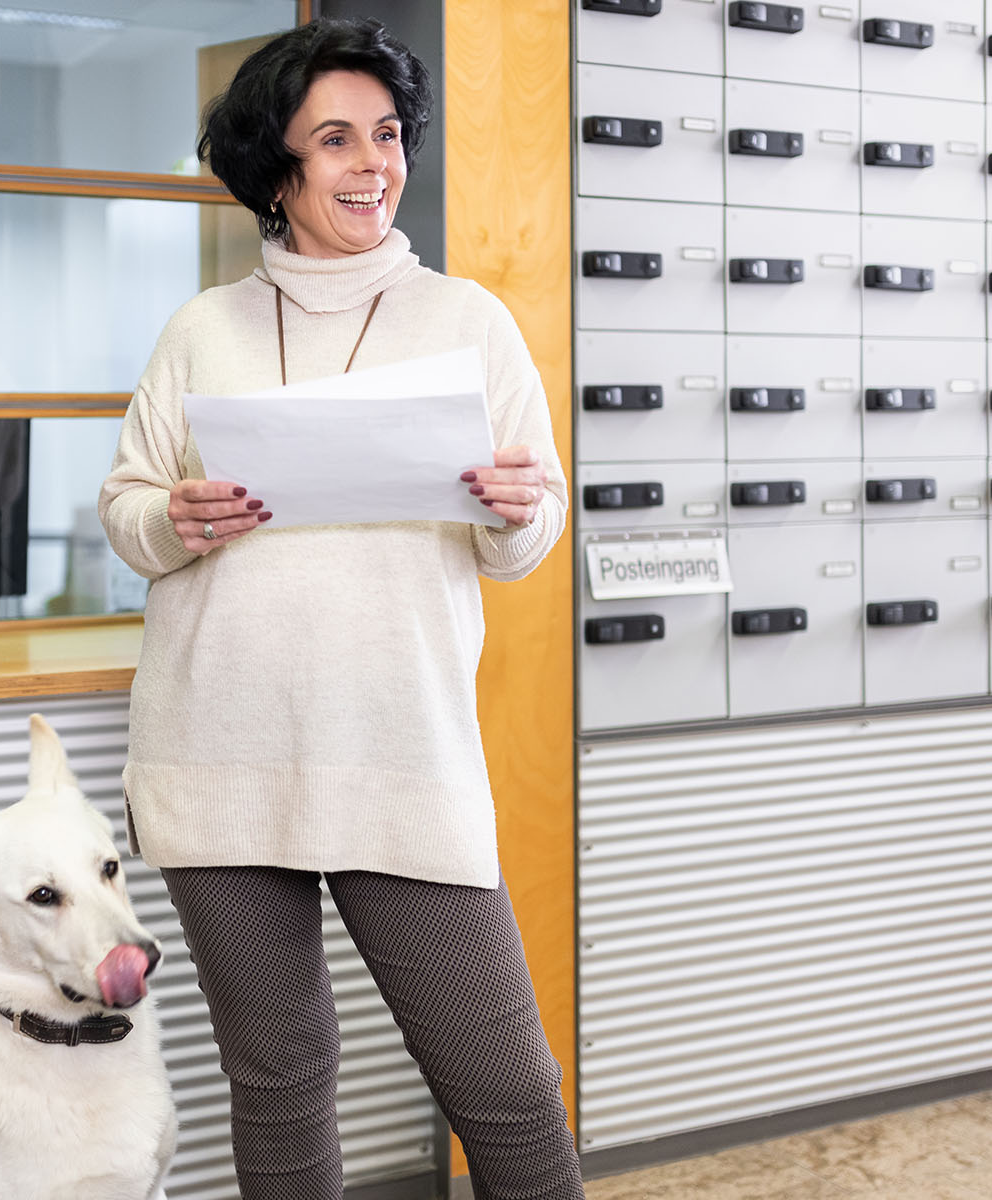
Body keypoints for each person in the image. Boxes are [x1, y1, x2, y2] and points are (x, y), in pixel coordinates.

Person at [97, 17, 585, 1200]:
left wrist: (518, 506)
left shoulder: (468, 320)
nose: (374, 162)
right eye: (336, 140)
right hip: (218, 756)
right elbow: (126, 506)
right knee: (280, 1079)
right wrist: (175, 519)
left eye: (387, 134)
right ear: (277, 170)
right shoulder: (201, 329)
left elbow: (527, 536)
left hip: (400, 753)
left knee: (507, 1093)